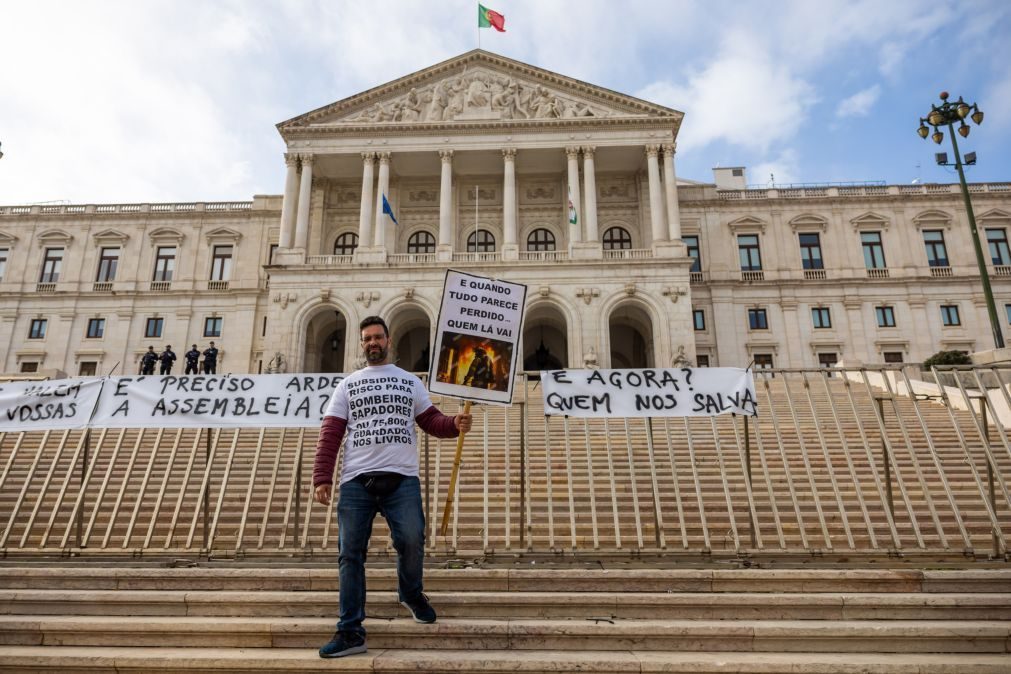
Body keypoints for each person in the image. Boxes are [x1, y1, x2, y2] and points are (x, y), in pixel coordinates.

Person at [312, 315, 472, 659]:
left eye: (378, 337)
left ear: (389, 341)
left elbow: (430, 420)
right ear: (362, 343)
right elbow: (331, 431)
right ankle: (350, 631)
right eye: (367, 338)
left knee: (412, 540)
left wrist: (454, 424)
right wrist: (322, 477)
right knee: (349, 555)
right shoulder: (348, 385)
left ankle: (411, 593)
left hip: (401, 478)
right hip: (357, 480)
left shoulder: (409, 382)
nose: (373, 343)